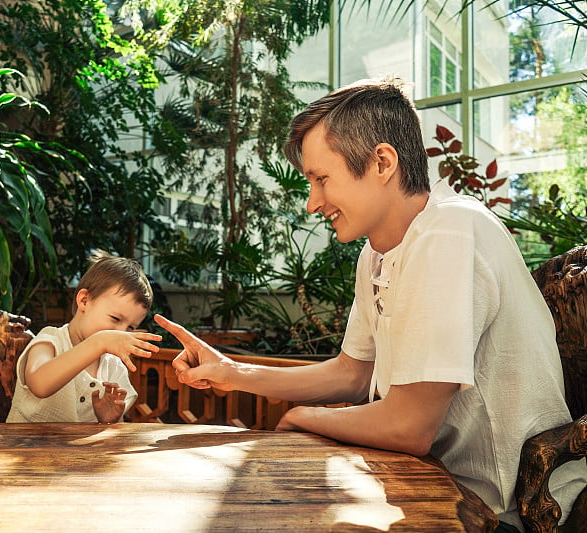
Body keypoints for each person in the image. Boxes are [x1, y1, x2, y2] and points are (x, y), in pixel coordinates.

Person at [153, 77, 586, 530]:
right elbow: (352, 373)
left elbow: (409, 426)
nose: (311, 203)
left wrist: (306, 417)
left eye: (321, 179)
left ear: (382, 162)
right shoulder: (376, 253)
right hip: (432, 485)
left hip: (507, 509)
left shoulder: (451, 230)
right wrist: (232, 372)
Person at [7, 251, 161, 424]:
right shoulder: (51, 340)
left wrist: (110, 419)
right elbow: (39, 384)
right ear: (84, 301)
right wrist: (99, 342)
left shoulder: (114, 367)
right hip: (24, 447)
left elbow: (115, 432)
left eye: (131, 327)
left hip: (77, 451)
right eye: (115, 319)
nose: (121, 331)